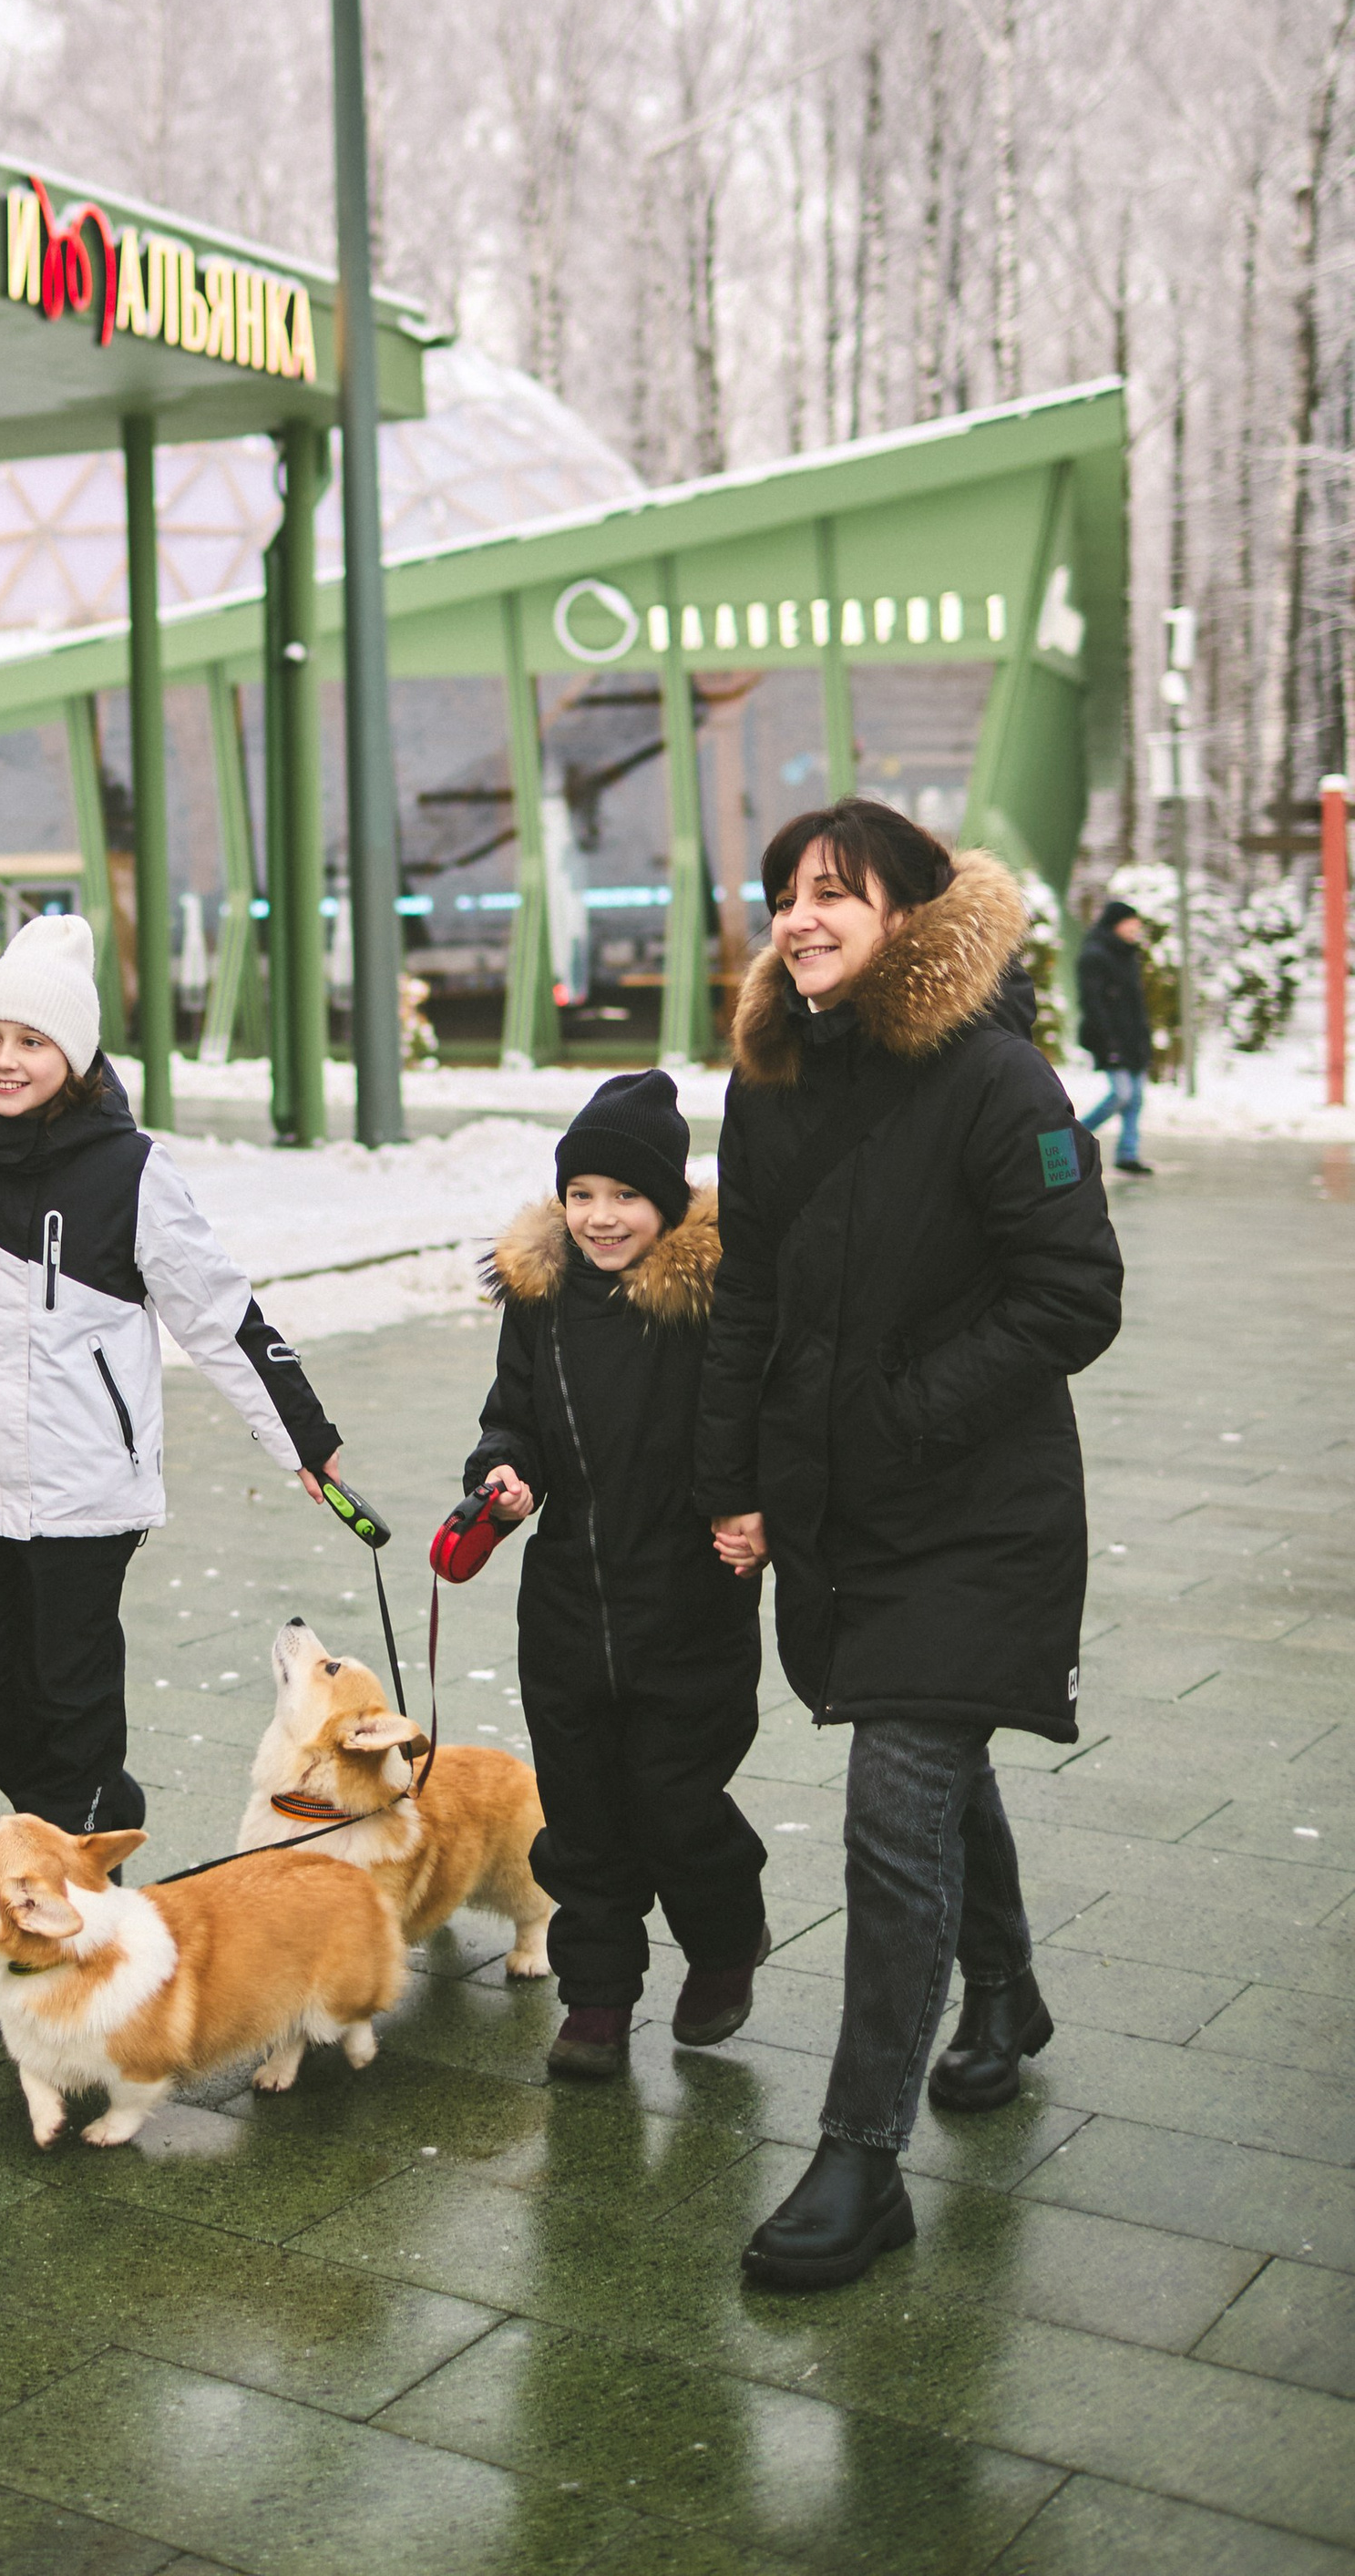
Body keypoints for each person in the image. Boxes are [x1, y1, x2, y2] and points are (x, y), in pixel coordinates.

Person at [695, 802, 1122, 2291]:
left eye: (837, 892)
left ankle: (860, 2160)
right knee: (927, 1765)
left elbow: (1075, 1293)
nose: (801, 918)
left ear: (911, 916)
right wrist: (733, 1477)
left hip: (977, 1509)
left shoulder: (1000, 1079)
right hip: (838, 1508)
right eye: (784, 895)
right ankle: (1002, 1987)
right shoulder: (768, 1083)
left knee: (893, 1808)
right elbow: (746, 1294)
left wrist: (899, 1414)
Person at [0, 910, 348, 2027]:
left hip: (87, 1493)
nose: (4, 1060)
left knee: (68, 1703)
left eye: (30, 1041)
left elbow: (218, 1314)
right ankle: (90, 1816)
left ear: (76, 1054)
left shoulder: (129, 1172)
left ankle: (64, 1930)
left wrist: (303, 1439)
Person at [463, 1070, 765, 2083]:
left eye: (626, 1196)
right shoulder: (541, 1302)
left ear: (667, 1202)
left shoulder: (714, 1300)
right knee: (583, 1810)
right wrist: (504, 1473)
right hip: (566, 1600)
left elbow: (757, 1422)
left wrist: (756, 1511)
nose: (600, 1217)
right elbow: (511, 1416)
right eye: (582, 1193)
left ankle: (724, 1938)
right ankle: (596, 1997)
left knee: (675, 1800)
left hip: (690, 1598)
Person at [1077, 898, 1154, 1175]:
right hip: (1110, 1038)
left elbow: (1135, 1005)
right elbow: (1092, 1003)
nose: (1136, 929)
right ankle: (1072, 1137)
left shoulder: (1128, 955)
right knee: (1121, 1094)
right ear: (1116, 924)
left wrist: (1143, 1039)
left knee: (1135, 1098)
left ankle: (1128, 1154)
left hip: (1133, 1038)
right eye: (1131, 923)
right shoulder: (1095, 955)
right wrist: (1107, 1040)